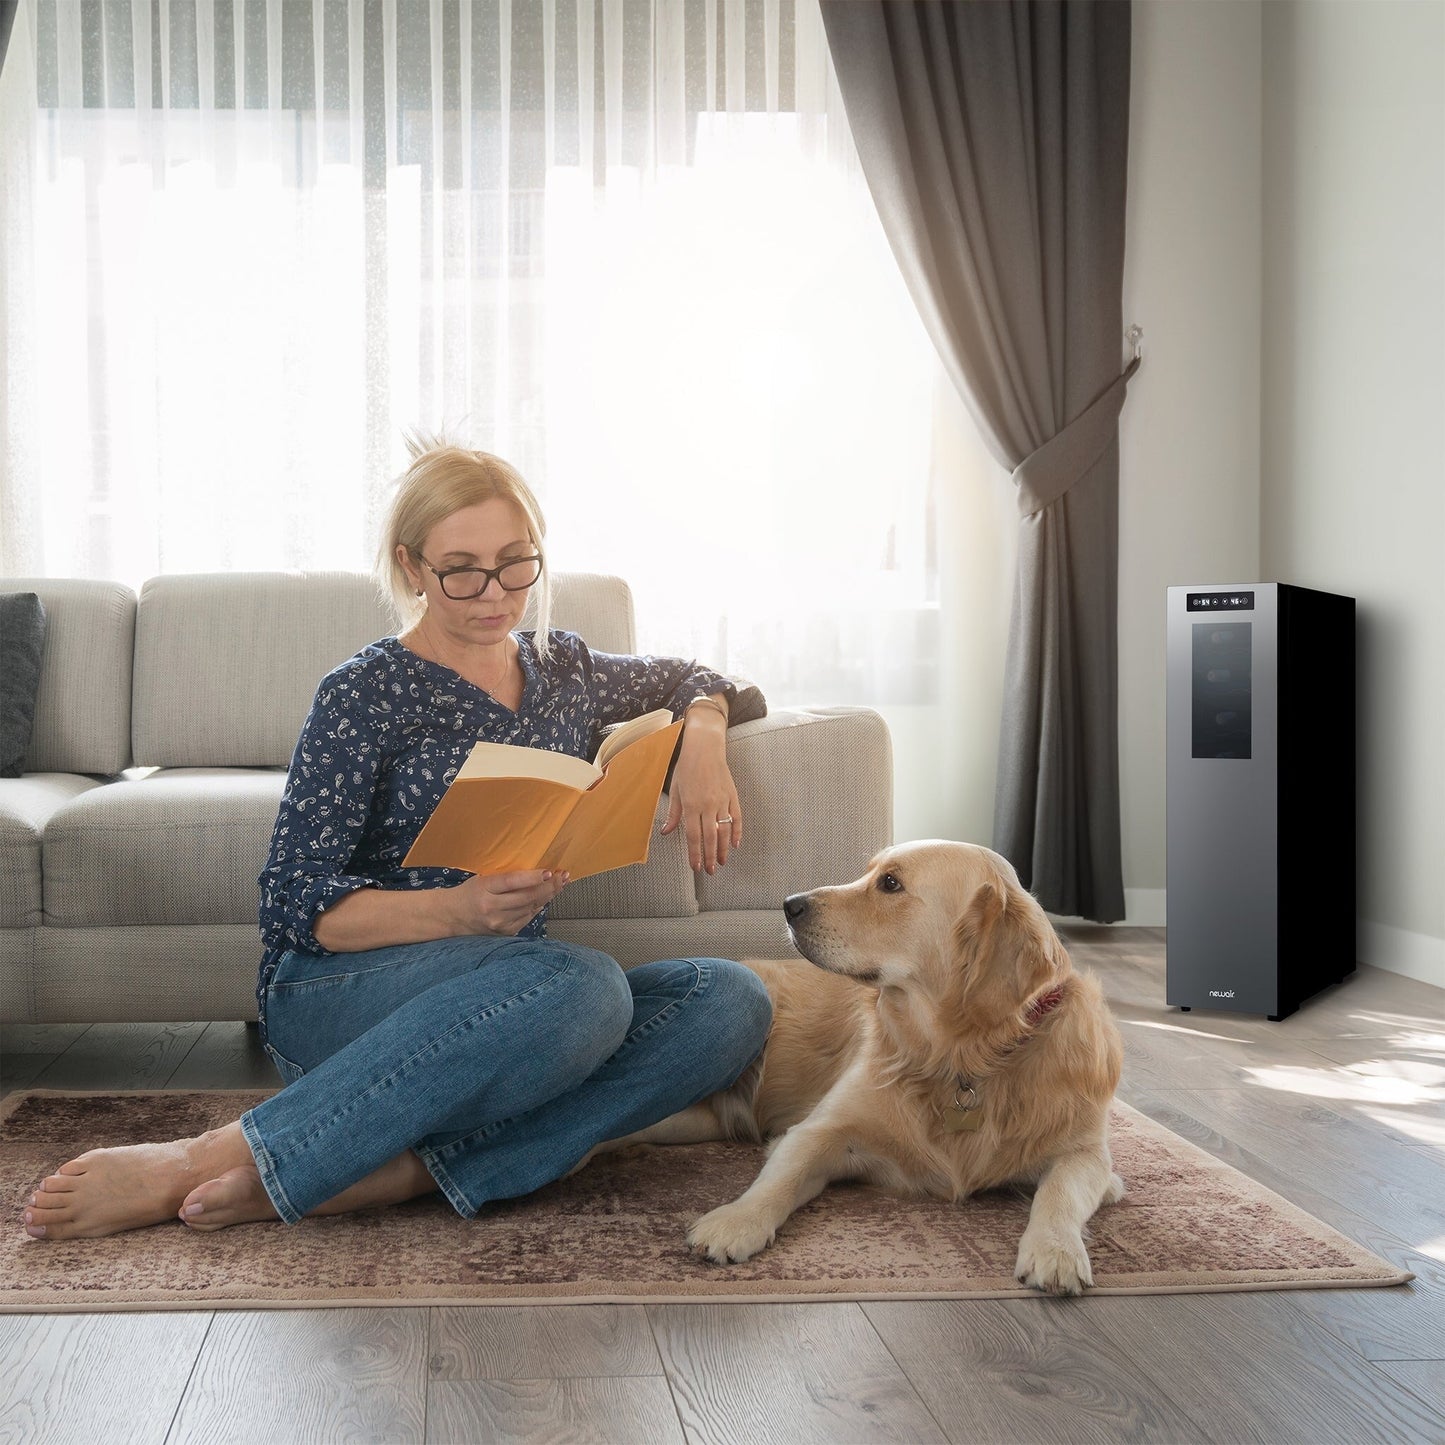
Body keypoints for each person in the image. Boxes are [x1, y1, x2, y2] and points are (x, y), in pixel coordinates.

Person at [20, 442, 773, 1240]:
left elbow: (704, 675)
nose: (495, 594)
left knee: (729, 999)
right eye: (462, 570)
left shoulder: (567, 669)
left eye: (516, 563)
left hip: (510, 1004)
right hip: (341, 990)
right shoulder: (362, 692)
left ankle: (401, 1172)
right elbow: (293, 905)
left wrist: (703, 734)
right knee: (585, 987)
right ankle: (210, 1155)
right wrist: (456, 910)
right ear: (411, 566)